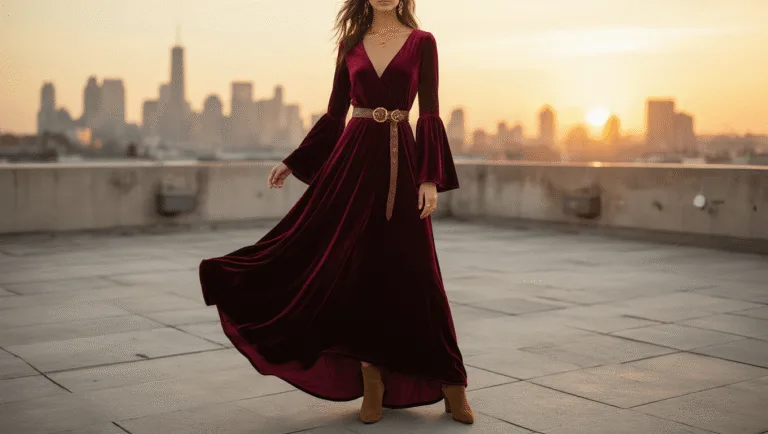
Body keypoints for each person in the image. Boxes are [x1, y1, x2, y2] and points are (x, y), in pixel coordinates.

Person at [199, 0, 474, 425]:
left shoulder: (423, 43)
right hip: (353, 165)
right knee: (354, 272)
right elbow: (334, 113)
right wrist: (294, 161)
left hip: (402, 166)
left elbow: (431, 111)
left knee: (417, 271)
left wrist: (428, 178)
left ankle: (452, 382)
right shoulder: (350, 44)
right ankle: (372, 382)